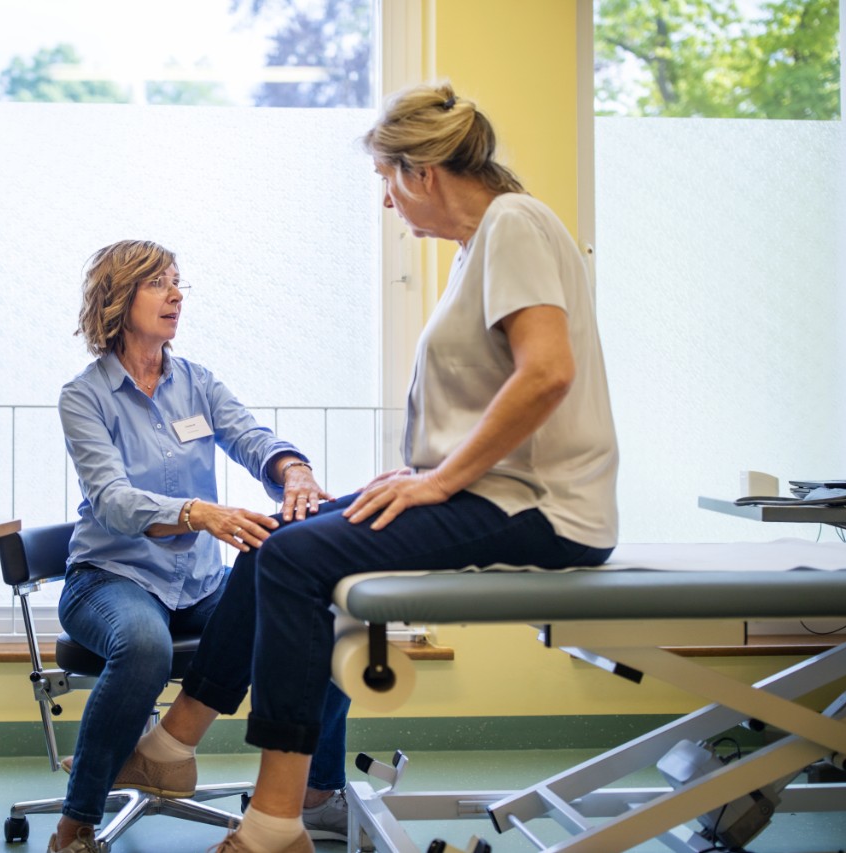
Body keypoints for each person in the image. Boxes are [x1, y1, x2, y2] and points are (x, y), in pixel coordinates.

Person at [119, 80, 621, 853]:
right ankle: (178, 744)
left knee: (291, 557)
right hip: (497, 491)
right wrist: (420, 473)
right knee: (282, 530)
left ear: (421, 171)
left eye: (387, 181)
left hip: (541, 509)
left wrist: (441, 478)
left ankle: (271, 817)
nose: (388, 203)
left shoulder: (513, 223)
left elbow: (547, 372)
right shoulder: (481, 246)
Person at [49, 239, 354, 853]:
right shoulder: (84, 397)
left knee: (319, 620)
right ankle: (76, 822)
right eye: (159, 283)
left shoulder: (197, 384)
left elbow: (250, 437)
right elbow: (111, 499)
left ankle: (317, 795)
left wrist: (292, 469)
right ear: (117, 298)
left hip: (198, 584)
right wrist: (196, 513)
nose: (177, 295)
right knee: (142, 645)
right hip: (110, 578)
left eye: (178, 282)